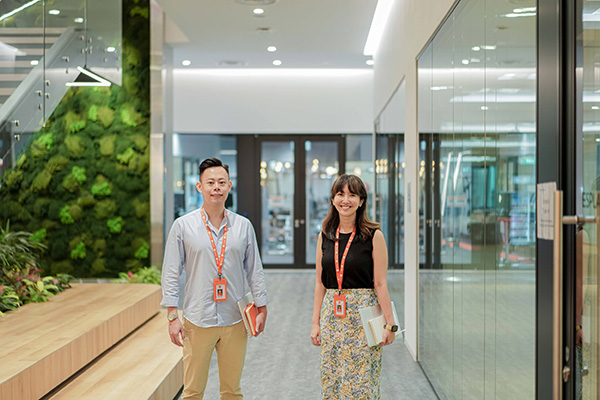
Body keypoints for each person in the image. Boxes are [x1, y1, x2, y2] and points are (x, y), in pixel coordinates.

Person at [161, 157, 268, 400]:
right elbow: (170, 272)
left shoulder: (243, 226)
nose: (216, 187)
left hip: (235, 319)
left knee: (232, 390)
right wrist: (171, 316)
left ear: (230, 186)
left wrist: (262, 307)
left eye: (221, 182)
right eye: (210, 182)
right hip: (197, 320)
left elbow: (255, 270)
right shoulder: (182, 226)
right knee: (192, 391)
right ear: (200, 187)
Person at [310, 174, 397, 399]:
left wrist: (391, 324)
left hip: (363, 318)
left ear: (361, 201)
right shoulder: (325, 235)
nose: (345, 200)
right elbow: (320, 283)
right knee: (333, 379)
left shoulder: (374, 236)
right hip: (332, 317)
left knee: (362, 382)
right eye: (340, 194)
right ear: (332, 199)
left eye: (352, 195)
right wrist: (315, 323)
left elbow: (380, 283)